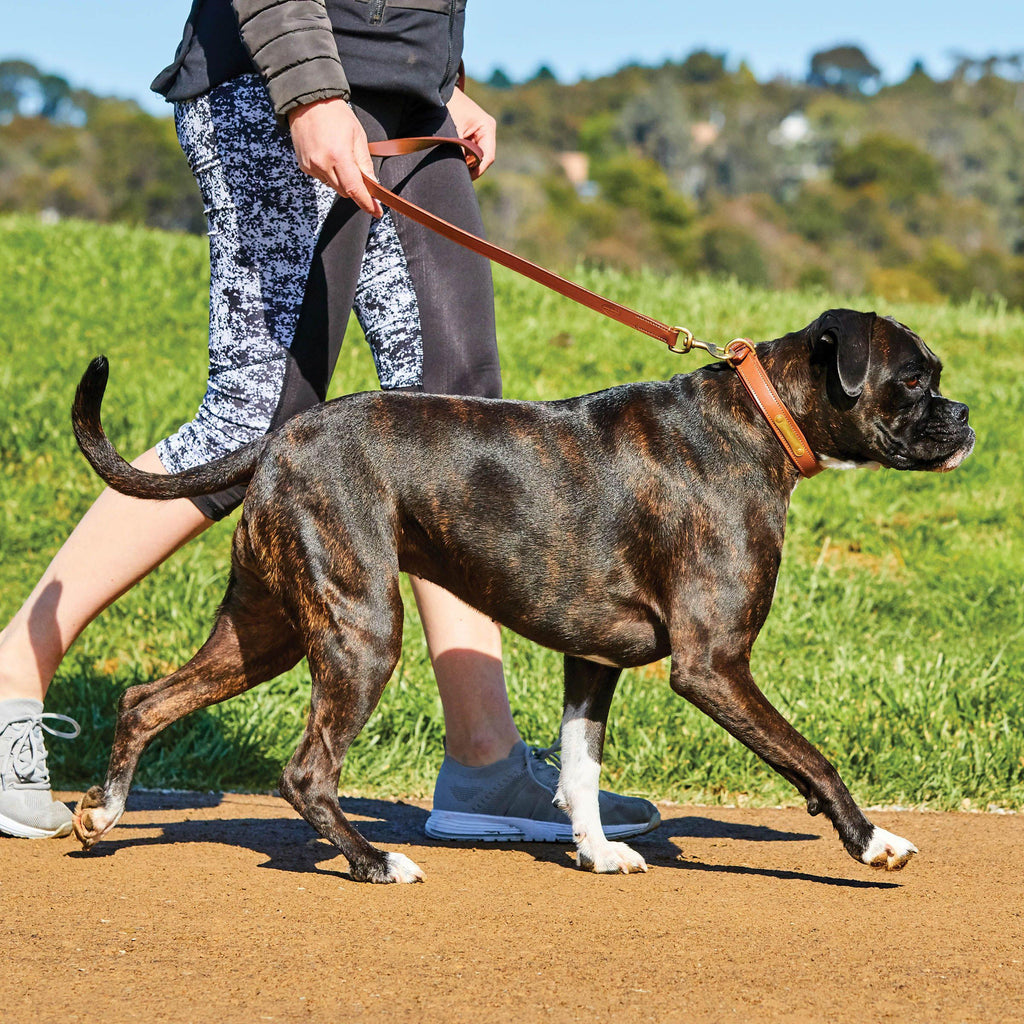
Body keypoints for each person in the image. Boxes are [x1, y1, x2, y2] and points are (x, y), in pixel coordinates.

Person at [0, 0, 658, 844]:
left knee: (458, 422)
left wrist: (438, 76)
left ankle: (485, 764)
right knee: (255, 415)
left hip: (407, 102)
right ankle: (16, 670)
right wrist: (311, 92)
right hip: (281, 83)